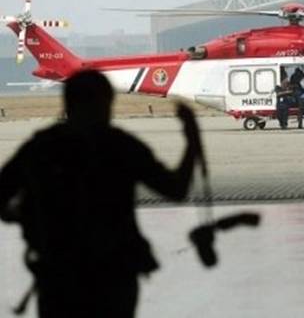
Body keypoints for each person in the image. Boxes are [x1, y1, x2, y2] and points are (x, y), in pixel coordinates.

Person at [0, 70, 203, 318]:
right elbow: (176, 189)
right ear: (106, 103)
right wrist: (192, 142)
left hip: (59, 280)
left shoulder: (41, 146)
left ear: (68, 103)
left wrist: (22, 215)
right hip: (114, 279)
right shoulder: (121, 146)